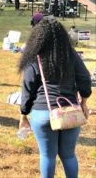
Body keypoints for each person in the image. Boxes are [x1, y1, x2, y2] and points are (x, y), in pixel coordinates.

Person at [18, 18, 92, 178]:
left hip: (42, 113)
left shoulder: (34, 57)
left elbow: (27, 88)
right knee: (69, 155)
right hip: (70, 112)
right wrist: (84, 101)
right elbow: (85, 79)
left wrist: (24, 114)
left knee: (47, 156)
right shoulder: (70, 54)